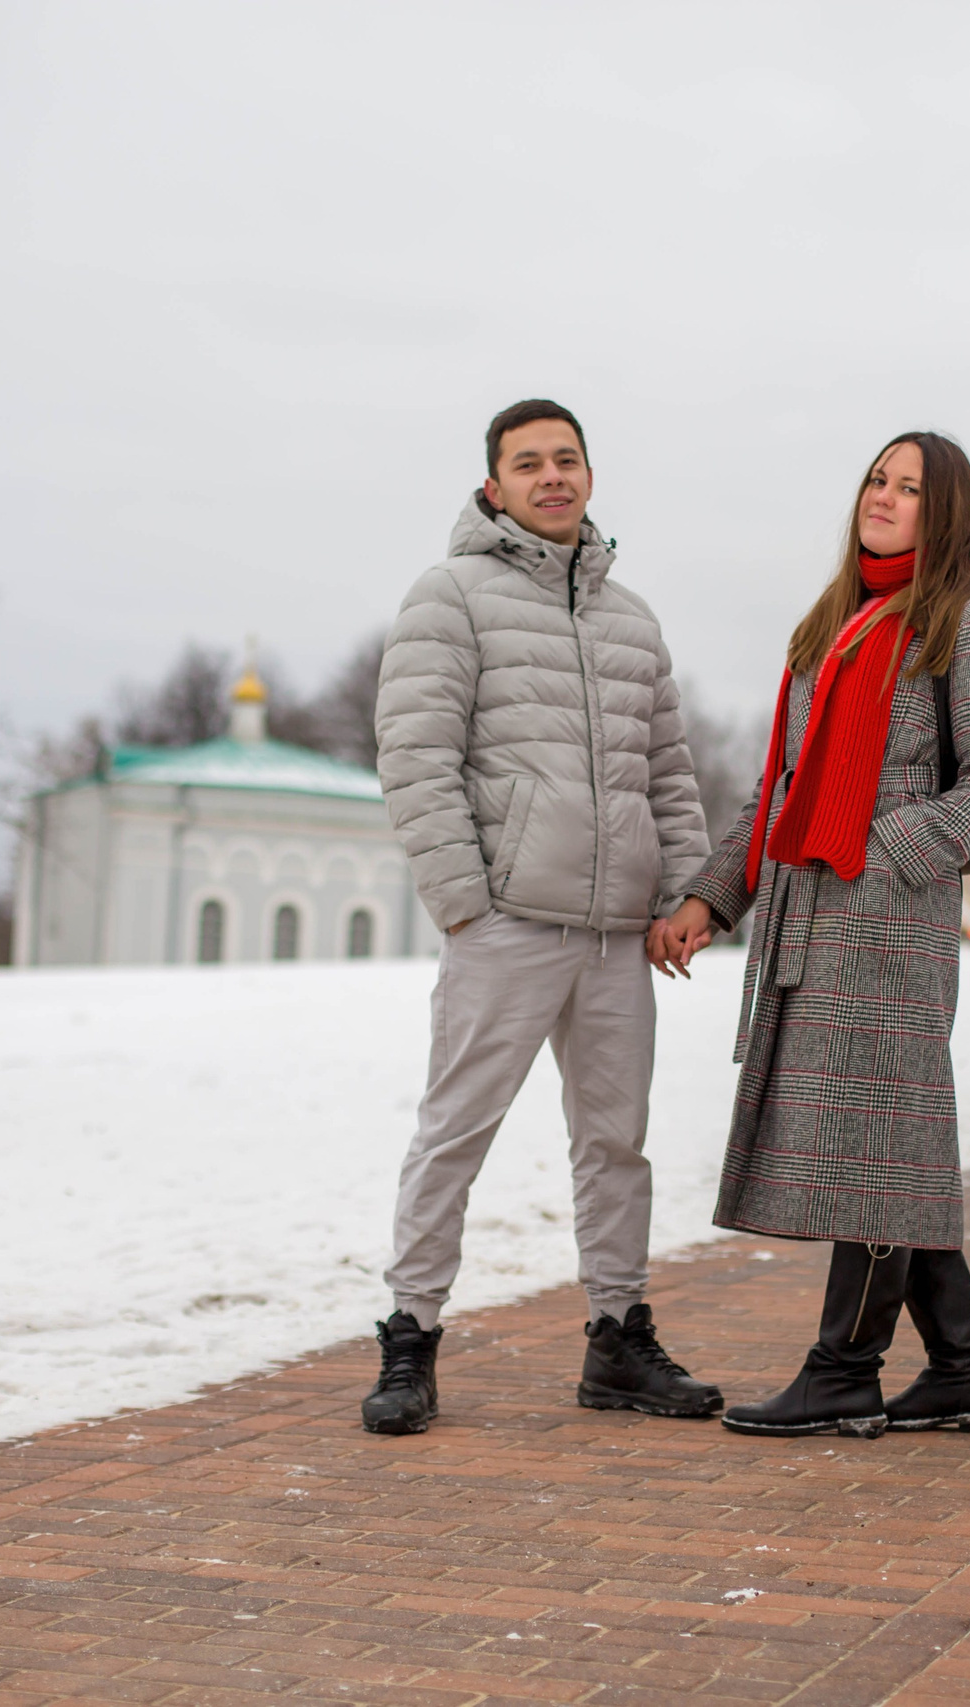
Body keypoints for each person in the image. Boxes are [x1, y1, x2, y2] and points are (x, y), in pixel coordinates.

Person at [649, 430, 970, 1438]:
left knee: (876, 1145)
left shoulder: (968, 623)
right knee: (890, 1146)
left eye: (910, 488)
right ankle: (964, 1370)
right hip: (810, 925)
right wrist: (711, 898)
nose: (884, 496)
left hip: (889, 926)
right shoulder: (832, 627)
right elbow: (782, 790)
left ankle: (844, 1370)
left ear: (944, 514)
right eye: (876, 479)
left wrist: (884, 845)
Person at [364, 399, 721, 1435]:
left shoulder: (632, 618)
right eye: (529, 464)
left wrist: (682, 893)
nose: (551, 476)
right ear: (494, 486)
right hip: (507, 924)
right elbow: (416, 756)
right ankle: (409, 1336)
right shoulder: (449, 596)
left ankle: (618, 1339)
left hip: (616, 938)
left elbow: (666, 770)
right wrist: (464, 906)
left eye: (567, 460)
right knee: (455, 1133)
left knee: (616, 1144)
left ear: (590, 477)